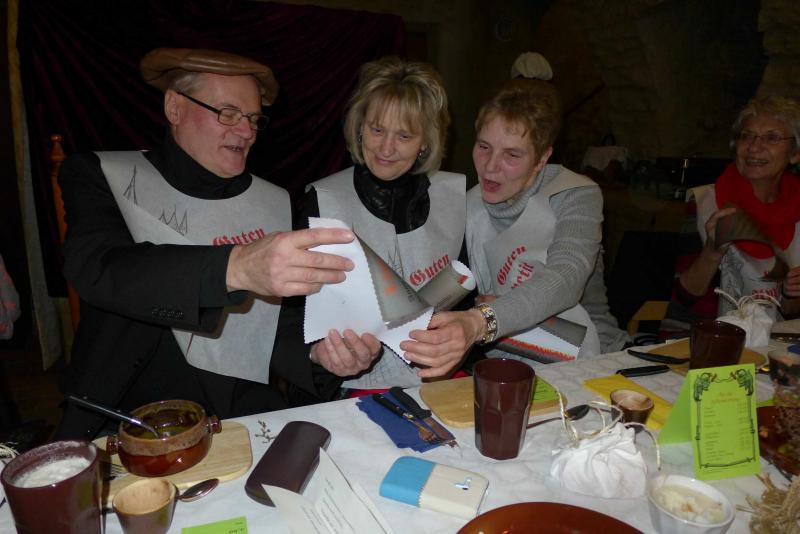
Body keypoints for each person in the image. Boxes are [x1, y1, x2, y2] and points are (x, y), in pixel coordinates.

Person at [55, 48, 356, 439]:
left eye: (253, 118)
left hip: (241, 411)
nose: (246, 131)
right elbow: (99, 266)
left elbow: (273, 324)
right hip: (127, 416)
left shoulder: (273, 200)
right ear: (174, 107)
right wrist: (236, 267)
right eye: (228, 113)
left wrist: (318, 353)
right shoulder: (102, 175)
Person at [271, 56, 465, 399]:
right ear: (359, 127)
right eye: (377, 130)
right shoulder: (321, 201)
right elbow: (286, 315)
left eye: (404, 135)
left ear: (426, 142)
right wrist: (319, 353)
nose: (386, 148)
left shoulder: (455, 199)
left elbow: (466, 302)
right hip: (345, 386)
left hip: (437, 378)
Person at [402, 78, 628, 369]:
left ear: (542, 158)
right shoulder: (465, 205)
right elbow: (437, 286)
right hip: (506, 364)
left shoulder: (575, 194)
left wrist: (481, 319)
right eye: (484, 147)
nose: (490, 166)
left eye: (511, 155)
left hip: (596, 359)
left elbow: (565, 278)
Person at [669, 95, 800, 327]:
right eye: (746, 136)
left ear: (795, 154)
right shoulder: (705, 202)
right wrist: (712, 252)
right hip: (710, 339)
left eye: (772, 137)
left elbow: (791, 311)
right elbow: (682, 299)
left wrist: (792, 294)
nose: (754, 147)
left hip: (780, 342)